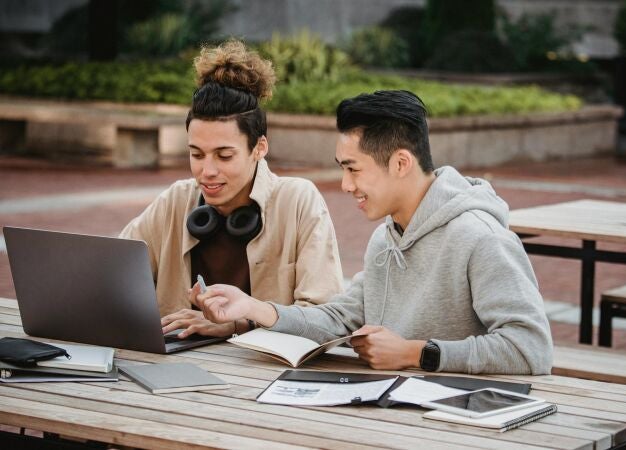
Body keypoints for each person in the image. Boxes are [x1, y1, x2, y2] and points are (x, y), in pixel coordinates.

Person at [192, 90, 553, 374]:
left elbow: (531, 348)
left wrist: (416, 352)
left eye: (353, 169)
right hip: (392, 412)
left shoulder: (481, 238)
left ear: (400, 163)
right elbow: (338, 319)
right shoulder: (386, 237)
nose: (346, 185)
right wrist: (255, 308)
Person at [120, 40, 343, 338]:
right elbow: (111, 275)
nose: (207, 171)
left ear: (259, 148)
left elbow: (326, 322)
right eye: (196, 154)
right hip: (175, 367)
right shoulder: (176, 200)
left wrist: (237, 324)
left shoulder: (298, 200)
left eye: (224, 156)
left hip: (261, 375)